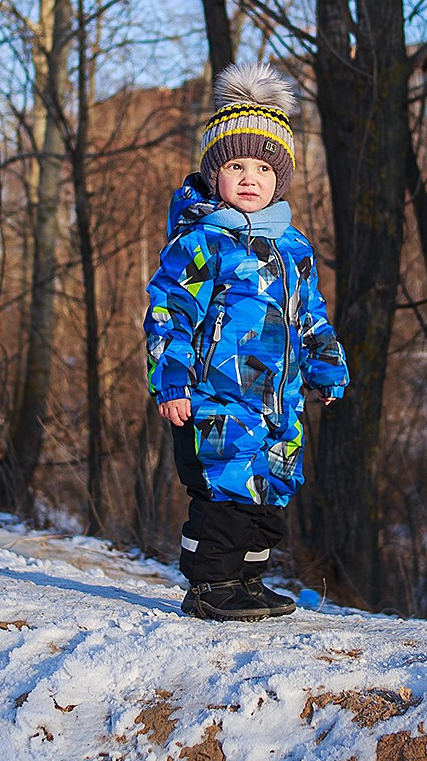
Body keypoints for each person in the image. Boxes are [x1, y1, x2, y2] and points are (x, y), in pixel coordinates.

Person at [146, 61, 349, 620]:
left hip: (279, 401)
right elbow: (169, 312)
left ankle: (247, 580)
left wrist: (326, 366)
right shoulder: (202, 241)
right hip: (218, 397)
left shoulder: (294, 247)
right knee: (226, 492)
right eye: (235, 166)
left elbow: (310, 315)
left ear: (279, 180)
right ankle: (210, 586)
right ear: (215, 174)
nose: (249, 178)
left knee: (270, 492)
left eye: (263, 168)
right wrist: (172, 380)